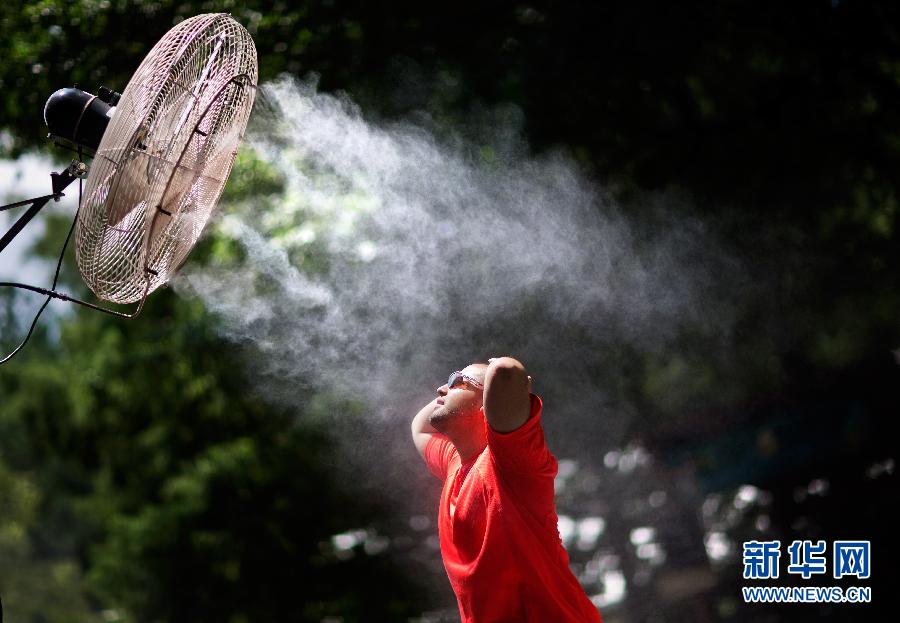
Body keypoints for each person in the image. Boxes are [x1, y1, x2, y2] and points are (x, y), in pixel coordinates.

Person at [411, 356, 602, 622]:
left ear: (486, 403)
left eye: (456, 381)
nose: (441, 389)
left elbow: (506, 372)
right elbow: (420, 427)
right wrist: (466, 383)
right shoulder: (455, 461)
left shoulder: (512, 462)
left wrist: (494, 374)